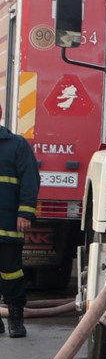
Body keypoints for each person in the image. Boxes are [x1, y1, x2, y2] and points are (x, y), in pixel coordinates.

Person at [0, 121, 38, 338]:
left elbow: (30, 179)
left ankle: (16, 319)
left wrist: (25, 212)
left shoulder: (17, 145)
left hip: (7, 223)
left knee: (11, 272)